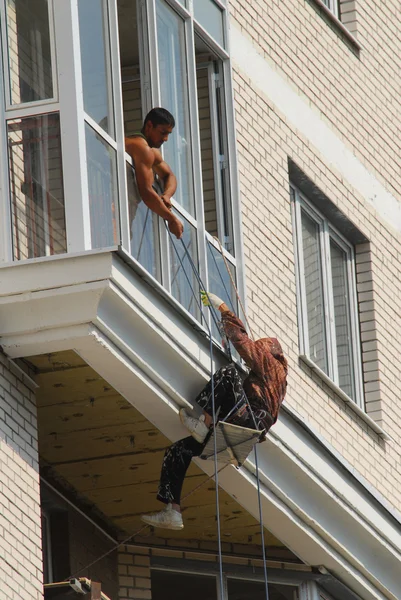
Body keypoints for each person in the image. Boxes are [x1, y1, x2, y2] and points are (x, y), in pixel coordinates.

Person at [141, 291, 288, 531]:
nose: (253, 361)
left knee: (230, 372)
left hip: (249, 420)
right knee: (177, 451)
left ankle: (203, 424)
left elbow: (243, 343)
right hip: (244, 434)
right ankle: (173, 511)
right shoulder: (272, 382)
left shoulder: (274, 367)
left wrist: (223, 309)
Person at [125, 107, 183, 239]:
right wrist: (171, 219)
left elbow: (170, 176)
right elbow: (146, 192)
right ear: (149, 126)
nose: (166, 139)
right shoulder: (141, 148)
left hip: (125, 211)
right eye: (163, 132)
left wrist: (166, 196)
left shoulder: (151, 153)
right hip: (112, 207)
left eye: (168, 134)